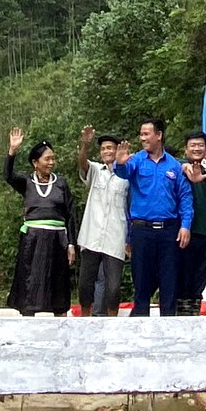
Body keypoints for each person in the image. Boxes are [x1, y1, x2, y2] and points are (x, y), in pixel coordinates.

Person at [117, 117, 192, 316]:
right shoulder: (136, 160)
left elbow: (184, 197)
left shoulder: (175, 165)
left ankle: (168, 327)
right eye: (141, 134)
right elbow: (123, 173)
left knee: (169, 282)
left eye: (146, 134)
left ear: (159, 135)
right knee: (142, 281)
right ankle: (139, 327)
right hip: (142, 230)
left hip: (169, 231)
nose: (142, 138)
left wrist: (185, 225)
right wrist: (120, 163)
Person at [4, 130, 75, 316]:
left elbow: (70, 214)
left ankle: (59, 316)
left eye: (53, 159)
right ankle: (28, 316)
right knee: (31, 279)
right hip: (33, 240)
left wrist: (71, 244)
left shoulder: (61, 183)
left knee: (57, 279)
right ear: (36, 163)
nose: (51, 162)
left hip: (57, 239)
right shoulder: (26, 182)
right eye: (47, 159)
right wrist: (12, 151)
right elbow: (8, 175)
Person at [74, 129, 130, 314]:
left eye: (111, 148)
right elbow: (83, 163)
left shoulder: (127, 176)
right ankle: (84, 319)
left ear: (118, 151)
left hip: (115, 237)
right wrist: (85, 144)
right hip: (92, 236)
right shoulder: (97, 170)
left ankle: (112, 323)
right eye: (104, 149)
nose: (107, 151)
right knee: (85, 285)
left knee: (113, 287)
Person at [175, 132, 206, 315]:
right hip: (181, 233)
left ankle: (193, 317)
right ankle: (179, 319)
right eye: (193, 145)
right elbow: (176, 165)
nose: (197, 148)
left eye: (201, 145)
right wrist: (184, 166)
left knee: (199, 280)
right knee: (181, 277)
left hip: (204, 233)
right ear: (186, 149)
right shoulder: (177, 169)